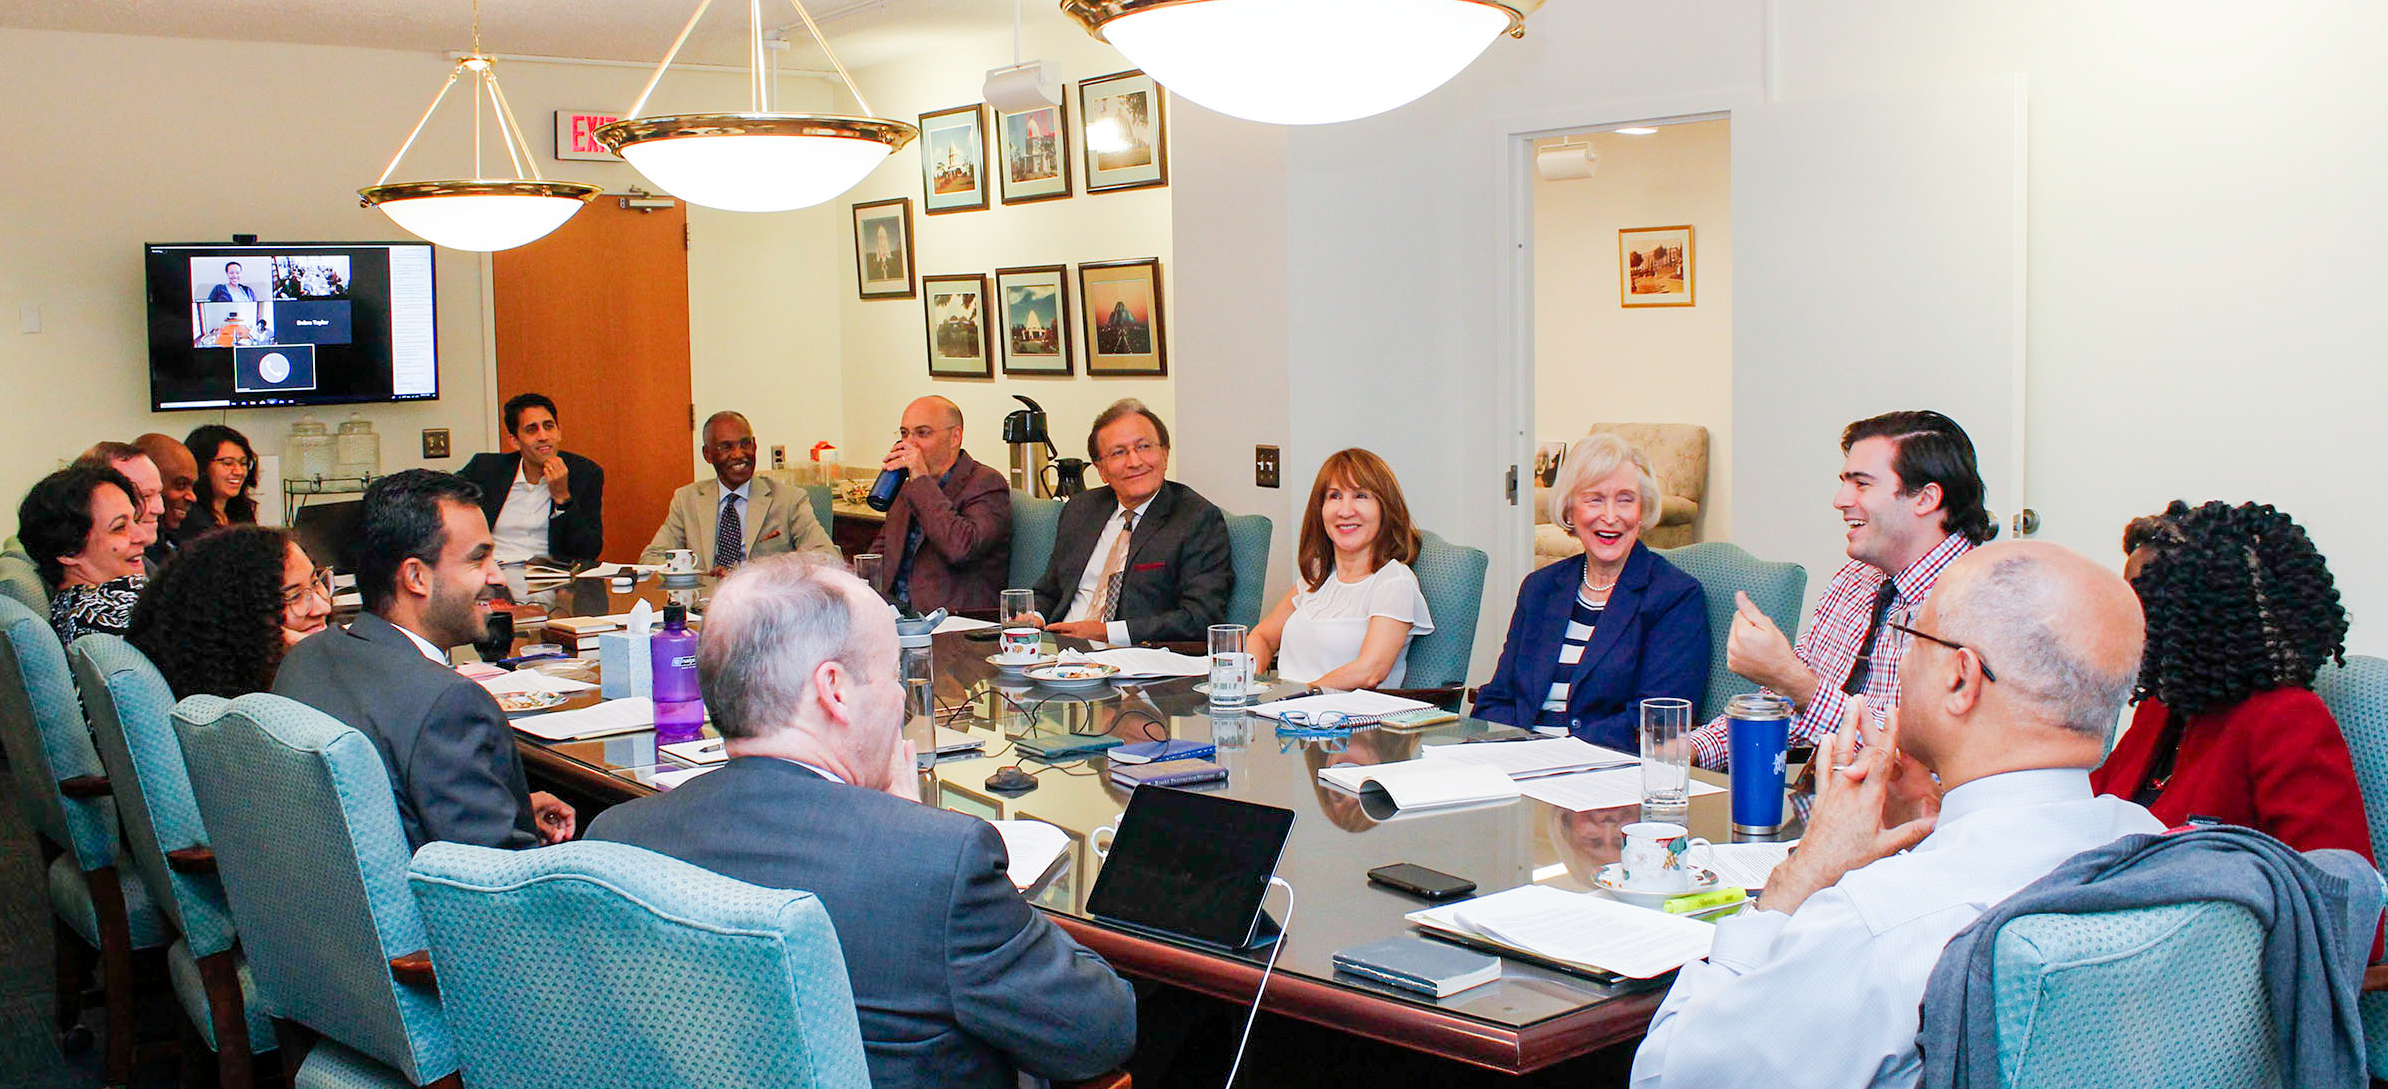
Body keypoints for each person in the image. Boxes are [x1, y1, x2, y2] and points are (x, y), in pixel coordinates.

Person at [586, 555, 1137, 1089]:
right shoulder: (933, 864)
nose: (901, 697)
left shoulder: (614, 840)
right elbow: (1099, 1030)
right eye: (893, 673)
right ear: (835, 690)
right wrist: (912, 830)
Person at [1630, 541, 2165, 1089]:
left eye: (1912, 638)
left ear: (1962, 679)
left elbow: (1669, 1074)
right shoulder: (2159, 847)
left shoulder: (1877, 926)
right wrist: (1936, 815)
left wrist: (1794, 884)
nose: (1901, 661)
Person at [273, 470, 574, 851]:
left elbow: (389, 813)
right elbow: (496, 889)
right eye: (479, 558)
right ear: (416, 577)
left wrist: (508, 810)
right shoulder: (447, 705)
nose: (496, 574)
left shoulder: (307, 659)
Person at [1688, 410, 1993, 768]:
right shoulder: (1854, 579)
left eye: (1862, 484)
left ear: (1925, 499)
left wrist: (1794, 681)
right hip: (1824, 803)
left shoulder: (1983, 599)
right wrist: (1686, 751)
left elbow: (1920, 763)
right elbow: (1783, 708)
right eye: (1845, 482)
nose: (1841, 499)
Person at [2091, 500, 2372, 857]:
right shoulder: (2162, 705)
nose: (2124, 615)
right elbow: (2095, 807)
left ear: (2201, 611)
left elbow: (2343, 892)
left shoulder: (2288, 720)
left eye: (2142, 599)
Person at [1474, 434, 1708, 747]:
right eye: (1595, 499)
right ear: (1570, 511)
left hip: (1605, 770)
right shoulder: (1540, 589)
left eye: (1625, 499)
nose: (1610, 517)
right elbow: (1499, 698)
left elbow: (1656, 717)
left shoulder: (1675, 596)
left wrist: (1559, 753)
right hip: (1522, 764)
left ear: (1643, 510)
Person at [1029, 399, 1232, 645]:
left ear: (1165, 454)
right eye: (1119, 453)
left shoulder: (1196, 519)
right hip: (1059, 653)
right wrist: (1034, 616)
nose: (1135, 462)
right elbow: (1050, 590)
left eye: (1144, 447)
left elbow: (1199, 618)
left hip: (1138, 661)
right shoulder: (1080, 510)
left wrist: (1107, 633)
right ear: (1100, 469)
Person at [1247, 448, 1436, 688]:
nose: (1345, 511)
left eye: (1361, 496)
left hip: (1345, 720)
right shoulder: (1318, 574)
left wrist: (1298, 697)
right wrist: (1246, 682)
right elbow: (1262, 637)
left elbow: (1371, 671)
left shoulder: (1393, 582)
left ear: (1384, 509)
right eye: (1334, 496)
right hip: (1285, 715)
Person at [128, 524, 330, 699]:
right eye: (294, 597)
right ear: (239, 623)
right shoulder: (263, 720)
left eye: (315, 582)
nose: (323, 607)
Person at [641, 411, 835, 575]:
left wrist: (762, 572)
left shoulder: (789, 499)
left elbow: (828, 556)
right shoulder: (687, 500)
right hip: (703, 606)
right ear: (708, 455)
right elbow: (651, 559)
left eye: (745, 444)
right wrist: (695, 576)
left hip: (764, 605)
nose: (739, 454)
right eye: (726, 447)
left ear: (755, 446)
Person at [866, 396, 1011, 613]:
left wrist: (922, 481)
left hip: (952, 622)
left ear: (955, 437)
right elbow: (880, 554)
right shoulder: (907, 486)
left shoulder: (986, 483)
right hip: (895, 616)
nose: (909, 444)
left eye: (923, 433)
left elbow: (960, 549)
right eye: (905, 434)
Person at [458, 392, 605, 566]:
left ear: (559, 433)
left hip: (552, 578)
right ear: (515, 441)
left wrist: (563, 499)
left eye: (549, 426)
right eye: (531, 429)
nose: (543, 436)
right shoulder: (485, 469)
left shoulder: (585, 473)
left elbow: (589, 551)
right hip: (492, 574)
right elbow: (442, 499)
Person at [17, 464, 149, 644]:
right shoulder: (114, 610)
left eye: (135, 520)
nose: (143, 537)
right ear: (69, 552)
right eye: (119, 527)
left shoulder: (71, 611)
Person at [178, 423, 259, 544]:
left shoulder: (240, 511)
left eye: (243, 463)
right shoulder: (190, 518)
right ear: (201, 466)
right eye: (227, 463)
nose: (239, 472)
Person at [133, 433, 199, 571]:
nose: (192, 497)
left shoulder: (176, 543)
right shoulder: (130, 557)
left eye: (192, 486)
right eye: (180, 485)